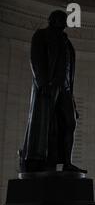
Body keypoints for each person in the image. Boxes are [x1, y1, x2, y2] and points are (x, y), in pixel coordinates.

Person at [20, 10, 86, 173]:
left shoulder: (67, 43)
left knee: (70, 123)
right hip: (49, 86)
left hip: (65, 89)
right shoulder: (41, 35)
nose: (63, 22)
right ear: (51, 20)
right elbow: (36, 59)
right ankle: (42, 162)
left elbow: (69, 72)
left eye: (64, 19)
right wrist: (42, 83)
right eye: (60, 19)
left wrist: (73, 100)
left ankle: (67, 163)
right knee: (47, 126)